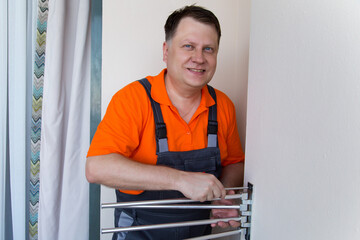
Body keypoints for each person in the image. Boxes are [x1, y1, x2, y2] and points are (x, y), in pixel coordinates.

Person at [86, 5, 245, 240]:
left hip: (200, 234)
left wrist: (224, 194)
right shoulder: (133, 99)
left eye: (208, 49)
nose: (199, 58)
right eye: (188, 46)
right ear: (166, 50)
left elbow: (235, 163)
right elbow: (96, 167)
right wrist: (180, 179)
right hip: (138, 233)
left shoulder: (223, 106)